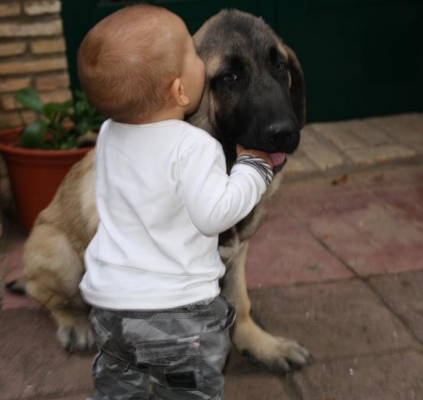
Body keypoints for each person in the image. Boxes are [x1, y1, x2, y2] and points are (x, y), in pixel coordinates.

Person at [77, 5, 275, 400]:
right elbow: (213, 215)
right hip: (178, 314)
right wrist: (254, 170)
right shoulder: (194, 146)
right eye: (191, 51)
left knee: (119, 383)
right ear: (180, 91)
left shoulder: (108, 135)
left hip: (110, 307)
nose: (199, 57)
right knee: (188, 389)